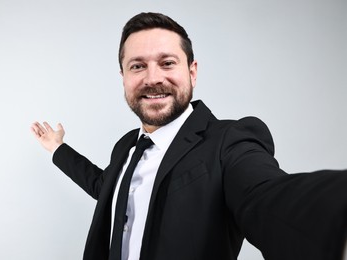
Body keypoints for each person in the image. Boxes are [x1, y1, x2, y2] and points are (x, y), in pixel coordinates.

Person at [31, 12, 347, 260]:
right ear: (123, 77)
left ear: (192, 71)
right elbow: (105, 187)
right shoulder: (126, 145)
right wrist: (58, 148)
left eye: (167, 63)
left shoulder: (229, 141)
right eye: (137, 66)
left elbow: (266, 196)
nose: (152, 78)